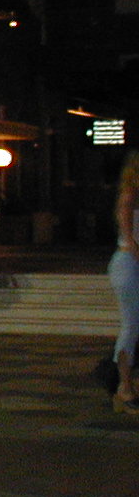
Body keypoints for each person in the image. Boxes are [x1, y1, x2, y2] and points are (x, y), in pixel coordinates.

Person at [109, 150, 139, 414]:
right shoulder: (129, 197)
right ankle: (124, 386)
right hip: (129, 263)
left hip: (131, 262)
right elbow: (131, 241)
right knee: (130, 325)